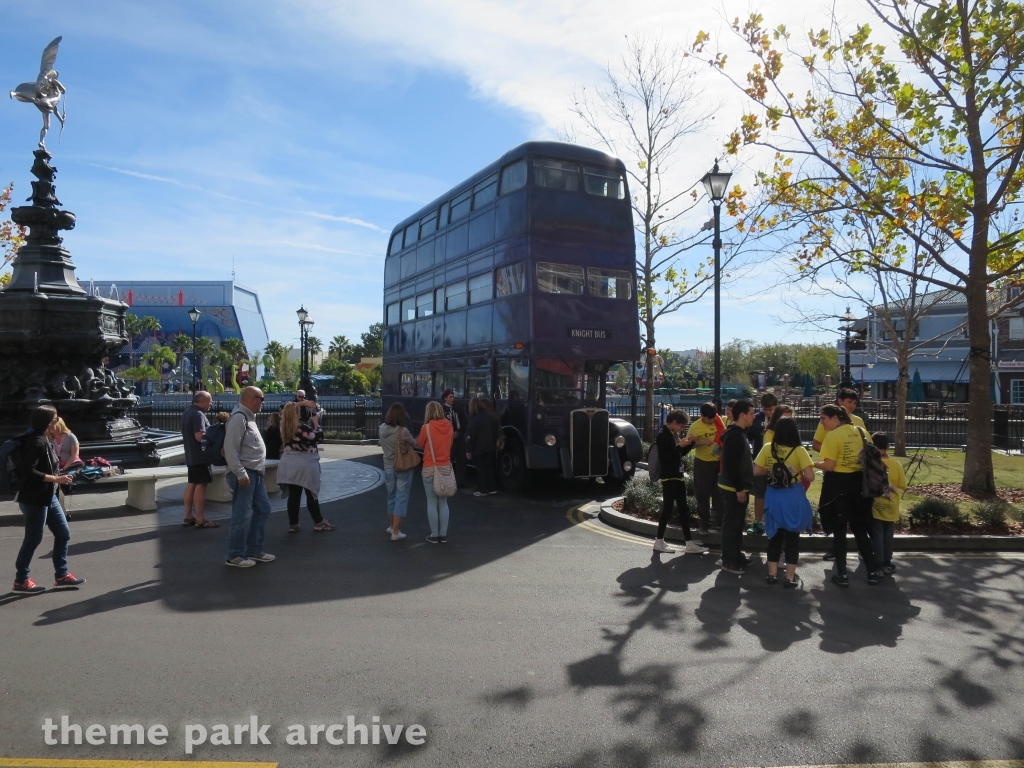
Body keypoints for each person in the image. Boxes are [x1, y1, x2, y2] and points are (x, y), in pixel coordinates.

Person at [12, 405, 83, 593]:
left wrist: (62, 475)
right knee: (33, 539)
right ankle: (21, 580)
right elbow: (28, 470)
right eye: (54, 419)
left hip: (48, 496)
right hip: (34, 498)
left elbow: (48, 467)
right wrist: (56, 479)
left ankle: (61, 575)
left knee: (63, 533)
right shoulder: (37, 442)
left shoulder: (45, 439)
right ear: (46, 422)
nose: (57, 421)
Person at [813, 404, 877, 587]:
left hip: (838, 486)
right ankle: (872, 571)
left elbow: (830, 466)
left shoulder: (833, 436)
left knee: (839, 530)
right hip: (859, 485)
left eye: (823, 418)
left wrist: (812, 464)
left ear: (835, 418)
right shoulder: (861, 431)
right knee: (860, 530)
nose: (821, 423)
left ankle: (842, 574)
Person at [753, 418, 815, 588]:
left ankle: (772, 575)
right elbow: (810, 477)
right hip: (793, 495)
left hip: (773, 496)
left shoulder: (768, 448)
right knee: (793, 538)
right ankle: (789, 577)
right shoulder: (799, 450)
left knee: (774, 537)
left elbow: (756, 470)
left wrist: (772, 469)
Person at [223, 386, 275, 568]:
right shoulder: (239, 418)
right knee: (242, 514)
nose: (263, 402)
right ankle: (235, 555)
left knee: (263, 509)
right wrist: (240, 473)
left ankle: (254, 549)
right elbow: (230, 449)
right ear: (253, 399)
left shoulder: (247, 418)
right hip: (245, 473)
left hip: (254, 473)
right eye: (262, 398)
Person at [653, 410, 709, 555]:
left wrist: (690, 444)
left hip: (677, 476)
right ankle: (659, 541)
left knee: (683, 509)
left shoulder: (672, 434)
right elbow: (666, 458)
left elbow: (678, 454)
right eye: (682, 426)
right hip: (669, 477)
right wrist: (680, 446)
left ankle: (688, 542)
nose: (682, 429)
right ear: (675, 423)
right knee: (668, 508)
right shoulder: (662, 435)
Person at [278, 401, 334, 533]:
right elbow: (318, 437)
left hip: (289, 464)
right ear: (296, 414)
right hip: (305, 464)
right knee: (311, 493)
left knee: (294, 495)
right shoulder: (302, 429)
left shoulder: (284, 428)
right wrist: (316, 423)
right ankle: (318, 521)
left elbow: (285, 409)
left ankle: (293, 523)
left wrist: (302, 403)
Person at [717, 399, 756, 574]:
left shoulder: (738, 433)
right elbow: (730, 465)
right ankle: (728, 561)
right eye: (751, 413)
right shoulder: (734, 435)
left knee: (737, 524)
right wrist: (739, 488)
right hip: (733, 488)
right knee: (731, 525)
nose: (753, 417)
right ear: (742, 415)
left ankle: (736, 556)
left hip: (738, 487)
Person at [869, 432, 907, 576]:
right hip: (892, 505)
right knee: (888, 535)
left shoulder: (871, 463)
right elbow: (902, 485)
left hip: (876, 504)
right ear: (888, 446)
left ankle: (877, 563)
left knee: (877, 535)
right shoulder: (896, 464)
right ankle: (887, 562)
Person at [418, 400, 454, 544]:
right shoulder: (449, 426)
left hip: (429, 466)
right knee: (443, 502)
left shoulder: (426, 428)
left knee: (431, 502)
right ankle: (443, 535)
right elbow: (451, 444)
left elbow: (420, 444)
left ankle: (434, 535)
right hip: (445, 466)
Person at [180, 391, 218, 528]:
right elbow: (199, 436)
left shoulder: (187, 412)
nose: (211, 404)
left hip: (191, 455)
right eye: (210, 401)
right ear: (202, 401)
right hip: (201, 457)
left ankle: (188, 516)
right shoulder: (198, 414)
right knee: (201, 486)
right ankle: (200, 519)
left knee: (192, 483)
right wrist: (213, 434)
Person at [380, 403, 416, 540]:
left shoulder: (382, 429)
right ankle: (396, 531)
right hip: (402, 467)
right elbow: (414, 443)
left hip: (388, 466)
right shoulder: (403, 431)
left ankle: (391, 526)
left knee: (391, 497)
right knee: (401, 498)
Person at [746, 393, 779, 536]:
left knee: (777, 493)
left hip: (778, 464)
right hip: (760, 461)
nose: (768, 412)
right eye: (765, 409)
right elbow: (747, 437)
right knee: (759, 493)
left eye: (771, 409)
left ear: (776, 406)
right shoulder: (757, 418)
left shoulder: (782, 419)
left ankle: (775, 522)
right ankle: (758, 522)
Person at [686, 402, 721, 534]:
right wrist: (702, 443)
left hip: (718, 462)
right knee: (702, 493)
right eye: (709, 418)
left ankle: (719, 522)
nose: (712, 420)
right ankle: (704, 524)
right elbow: (689, 444)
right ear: (702, 416)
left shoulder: (718, 421)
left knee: (718, 493)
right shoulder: (695, 427)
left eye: (713, 417)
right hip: (703, 463)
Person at [466, 398, 502, 497]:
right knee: (489, 467)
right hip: (490, 446)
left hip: (478, 448)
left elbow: (471, 435)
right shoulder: (489, 415)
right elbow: (496, 429)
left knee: (480, 469)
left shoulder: (474, 418)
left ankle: (483, 490)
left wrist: (468, 449)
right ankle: (492, 488)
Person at [441, 389, 468, 484]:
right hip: (449, 437)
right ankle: (448, 479)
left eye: (453, 397)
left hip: (459, 435)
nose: (453, 399)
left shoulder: (457, 408)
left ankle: (461, 480)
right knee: (450, 458)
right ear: (445, 398)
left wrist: (463, 430)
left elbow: (464, 419)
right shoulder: (443, 410)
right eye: (450, 397)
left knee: (461, 458)